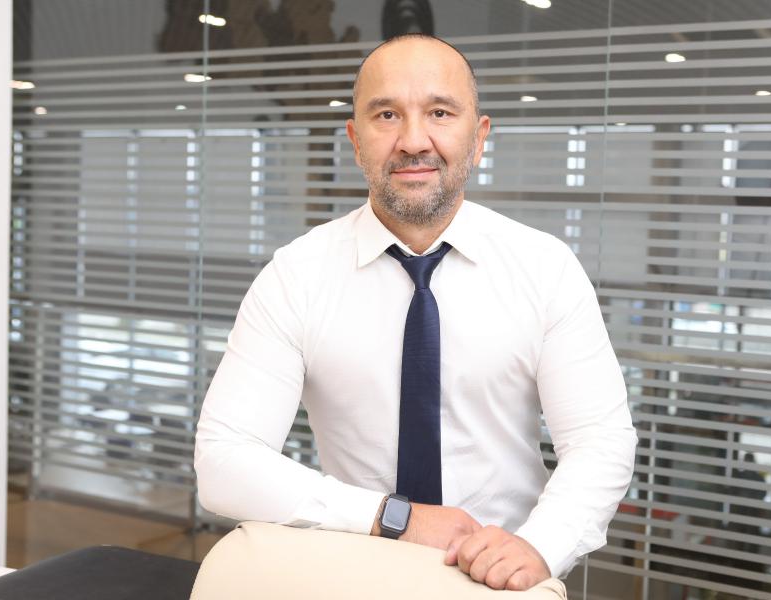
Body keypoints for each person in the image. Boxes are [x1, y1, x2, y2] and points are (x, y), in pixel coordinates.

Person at [195, 34, 637, 592]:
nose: (412, 141)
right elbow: (225, 459)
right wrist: (394, 518)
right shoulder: (296, 275)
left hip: (501, 578)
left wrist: (541, 545)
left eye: (440, 113)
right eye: (387, 115)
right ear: (355, 141)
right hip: (352, 571)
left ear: (479, 138)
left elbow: (600, 440)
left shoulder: (545, 268)